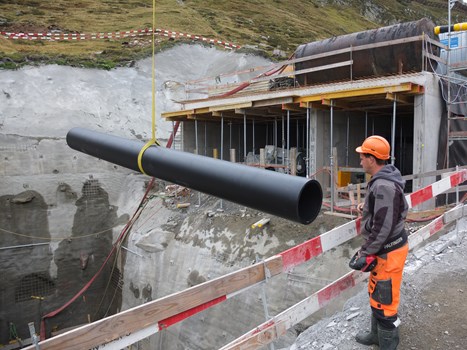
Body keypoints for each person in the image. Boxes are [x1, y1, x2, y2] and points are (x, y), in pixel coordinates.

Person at [349, 135, 409, 350]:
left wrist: (365, 252)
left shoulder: (383, 185)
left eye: (362, 156)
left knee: (385, 302)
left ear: (372, 159)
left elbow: (383, 226)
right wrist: (367, 208)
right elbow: (386, 212)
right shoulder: (385, 180)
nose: (360, 160)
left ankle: (387, 345)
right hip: (386, 249)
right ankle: (376, 336)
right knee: (377, 293)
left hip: (388, 250)